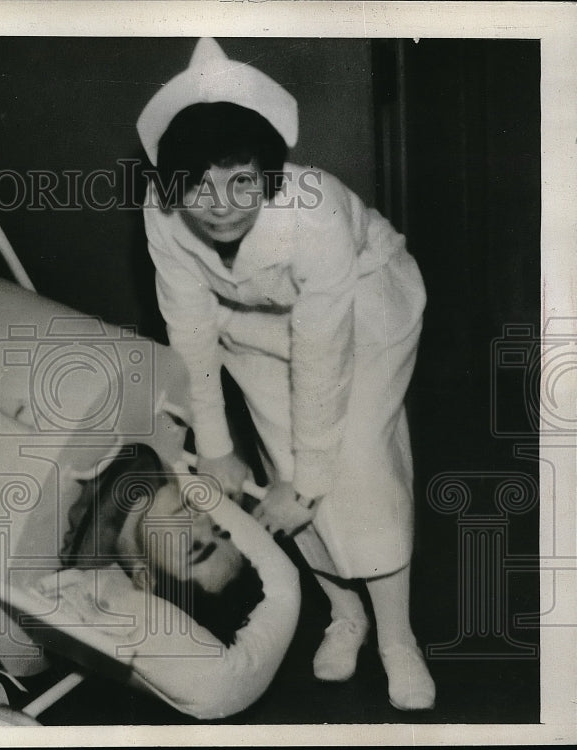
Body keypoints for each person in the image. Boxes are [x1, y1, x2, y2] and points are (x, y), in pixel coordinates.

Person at [134, 38, 435, 710]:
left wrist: (313, 476)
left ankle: (395, 636)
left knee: (350, 463)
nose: (219, 204)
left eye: (241, 179)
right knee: (282, 470)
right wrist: (214, 448)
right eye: (197, 184)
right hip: (252, 320)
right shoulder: (160, 216)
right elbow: (189, 329)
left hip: (359, 306)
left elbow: (323, 347)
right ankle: (345, 615)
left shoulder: (314, 208)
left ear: (269, 170)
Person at [59, 442, 265, 647]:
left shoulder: (74, 543)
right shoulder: (159, 469)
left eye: (194, 546)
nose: (200, 516)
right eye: (216, 529)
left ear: (146, 578)